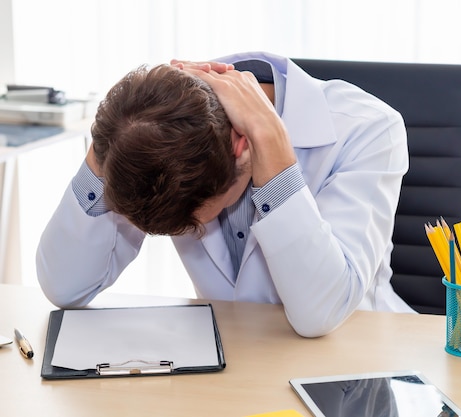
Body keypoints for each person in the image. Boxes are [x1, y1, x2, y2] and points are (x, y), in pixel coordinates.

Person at [36, 51, 414, 338]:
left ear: (242, 146)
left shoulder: (369, 128)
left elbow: (322, 313)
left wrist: (275, 154)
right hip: (237, 356)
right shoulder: (163, 130)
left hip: (357, 358)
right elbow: (66, 287)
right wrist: (112, 141)